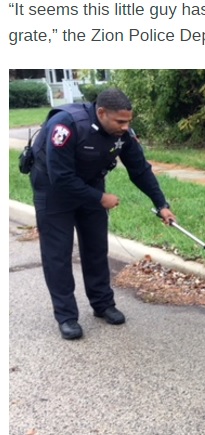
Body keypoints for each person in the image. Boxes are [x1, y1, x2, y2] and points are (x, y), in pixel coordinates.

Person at [29, 88, 176, 340]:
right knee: (58, 255)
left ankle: (102, 304)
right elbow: (61, 176)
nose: (125, 126)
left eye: (128, 120)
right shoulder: (66, 125)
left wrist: (161, 203)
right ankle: (66, 317)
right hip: (53, 190)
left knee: (96, 248)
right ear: (101, 113)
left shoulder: (122, 134)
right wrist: (100, 198)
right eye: (120, 121)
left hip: (90, 186)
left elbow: (140, 169)